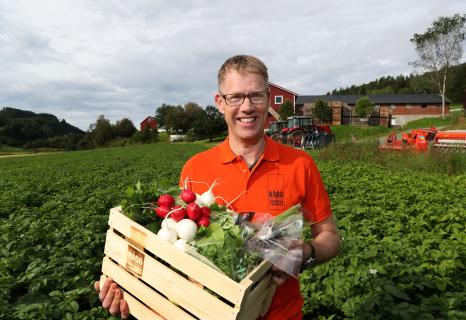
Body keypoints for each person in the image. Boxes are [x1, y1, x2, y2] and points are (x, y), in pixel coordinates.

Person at [95, 55, 341, 319]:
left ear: (268, 100)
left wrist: (305, 254)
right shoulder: (195, 168)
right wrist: (134, 293)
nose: (247, 107)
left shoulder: (300, 164)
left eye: (256, 96)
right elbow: (179, 250)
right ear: (220, 103)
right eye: (235, 97)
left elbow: (330, 237)